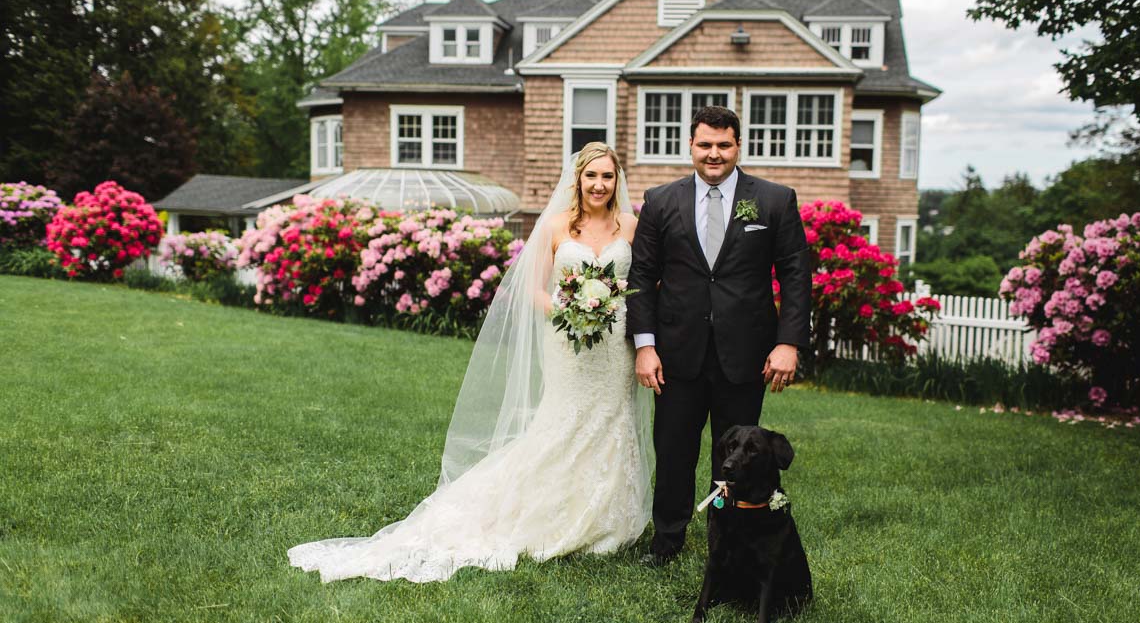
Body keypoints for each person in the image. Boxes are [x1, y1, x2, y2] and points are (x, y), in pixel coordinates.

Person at [288, 143, 652, 583]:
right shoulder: (556, 226)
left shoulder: (632, 227)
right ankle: (544, 513)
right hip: (568, 343)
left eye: (607, 177)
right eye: (590, 176)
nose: (599, 184)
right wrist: (568, 308)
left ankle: (605, 521)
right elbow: (532, 289)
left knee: (612, 421)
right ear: (577, 180)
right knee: (564, 424)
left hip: (615, 347)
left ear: (617, 181)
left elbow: (647, 285)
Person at [627, 105, 812, 565]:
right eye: (705, 144)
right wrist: (645, 346)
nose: (714, 154)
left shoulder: (773, 200)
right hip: (675, 353)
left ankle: (727, 538)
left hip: (745, 353)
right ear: (690, 146)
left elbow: (795, 275)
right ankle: (666, 541)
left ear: (737, 147)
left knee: (737, 455)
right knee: (673, 451)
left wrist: (787, 343)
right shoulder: (660, 201)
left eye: (723, 145)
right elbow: (641, 276)